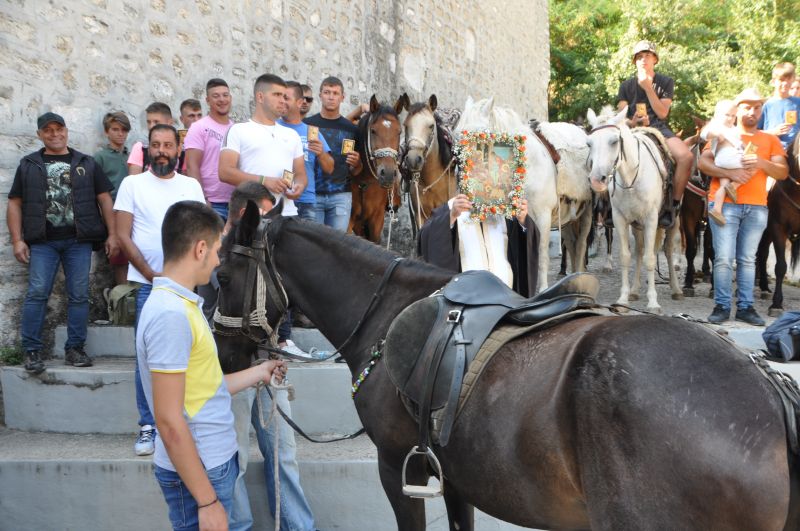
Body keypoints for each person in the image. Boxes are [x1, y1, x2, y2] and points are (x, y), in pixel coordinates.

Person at [138, 200, 287, 531]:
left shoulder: (181, 306)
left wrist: (259, 372)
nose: (219, 259)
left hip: (210, 461)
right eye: (218, 249)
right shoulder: (170, 315)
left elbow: (205, 387)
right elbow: (168, 419)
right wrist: (206, 501)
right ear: (200, 248)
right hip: (201, 470)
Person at [114, 124, 206, 456]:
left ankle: (186, 420)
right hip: (146, 286)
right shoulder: (132, 184)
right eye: (156, 145)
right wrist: (152, 274)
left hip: (187, 288)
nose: (162, 150)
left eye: (168, 145)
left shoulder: (191, 185)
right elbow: (123, 234)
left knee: (192, 355)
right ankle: (148, 424)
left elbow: (202, 234)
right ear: (148, 149)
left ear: (178, 149)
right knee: (147, 360)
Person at [8, 111, 118, 373]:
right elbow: (14, 203)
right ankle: (32, 351)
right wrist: (17, 240)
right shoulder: (29, 164)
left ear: (66, 131)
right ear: (40, 135)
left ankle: (75, 348)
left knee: (79, 296)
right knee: (36, 294)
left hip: (78, 241)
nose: (55, 134)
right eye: (48, 130)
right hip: (42, 242)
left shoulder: (86, 162)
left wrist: (113, 234)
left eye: (59, 129)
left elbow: (104, 199)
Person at [700, 88, 788, 325]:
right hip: (725, 204)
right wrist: (731, 173)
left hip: (757, 206)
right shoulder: (723, 132)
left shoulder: (769, 140)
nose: (752, 111)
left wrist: (761, 162)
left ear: (762, 110)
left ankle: (746, 307)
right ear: (737, 110)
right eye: (747, 107)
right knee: (724, 258)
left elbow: (782, 171)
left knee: (748, 259)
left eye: (757, 107)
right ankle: (722, 306)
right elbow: (703, 163)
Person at [617, 40, 694, 228]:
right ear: (635, 61)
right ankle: (606, 207)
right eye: (639, 57)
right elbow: (621, 116)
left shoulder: (665, 82)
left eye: (648, 56)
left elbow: (662, 113)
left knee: (686, 157)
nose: (643, 60)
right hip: (633, 129)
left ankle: (672, 205)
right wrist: (631, 121)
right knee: (605, 153)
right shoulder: (626, 86)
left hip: (658, 128)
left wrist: (648, 88)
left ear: (655, 60)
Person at [418, 194, 539, 296]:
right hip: (469, 298)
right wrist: (451, 217)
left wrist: (523, 221)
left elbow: (526, 243)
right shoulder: (451, 207)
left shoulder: (505, 207)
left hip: (506, 294)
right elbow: (426, 236)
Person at [303, 76, 363, 230]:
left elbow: (357, 171)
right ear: (320, 95)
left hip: (341, 197)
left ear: (342, 98)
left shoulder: (352, 130)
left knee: (337, 248)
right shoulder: (307, 125)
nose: (331, 97)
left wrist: (357, 163)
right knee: (314, 245)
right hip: (312, 195)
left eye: (335, 93)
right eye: (327, 92)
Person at [279, 80, 334, 221]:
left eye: (286, 98)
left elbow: (329, 168)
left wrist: (321, 153)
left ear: (299, 102)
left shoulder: (312, 132)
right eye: (279, 97)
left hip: (306, 201)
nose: (281, 101)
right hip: (277, 198)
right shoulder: (272, 127)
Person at [184, 78, 235, 221]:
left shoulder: (236, 129)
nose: (222, 99)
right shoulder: (199, 127)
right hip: (211, 203)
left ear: (230, 98)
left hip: (235, 203)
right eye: (216, 96)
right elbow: (191, 166)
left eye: (225, 95)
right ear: (207, 100)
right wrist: (202, 200)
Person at [94, 111, 132, 285]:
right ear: (107, 132)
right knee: (120, 261)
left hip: (135, 212)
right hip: (114, 212)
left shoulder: (132, 156)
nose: (120, 134)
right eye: (115, 129)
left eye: (124, 130)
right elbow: (99, 194)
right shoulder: (100, 158)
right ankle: (123, 303)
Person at [702, 100, 743, 226]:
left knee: (723, 186)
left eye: (733, 116)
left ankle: (717, 210)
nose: (730, 119)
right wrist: (715, 133)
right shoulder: (716, 126)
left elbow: (739, 142)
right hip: (728, 157)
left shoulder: (735, 129)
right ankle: (735, 185)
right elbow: (704, 134)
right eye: (727, 115)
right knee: (754, 165)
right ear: (717, 115)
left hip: (722, 162)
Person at [758, 62, 800, 153]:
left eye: (788, 79)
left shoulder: (798, 103)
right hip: (773, 151)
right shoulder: (766, 105)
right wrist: (773, 132)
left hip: (796, 153)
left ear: (793, 80)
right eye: (781, 80)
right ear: (773, 82)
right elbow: (753, 132)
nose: (785, 83)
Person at [127, 102, 174, 175]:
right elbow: (134, 183)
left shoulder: (181, 149)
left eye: (156, 122)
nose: (151, 126)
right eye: (149, 122)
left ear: (169, 122)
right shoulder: (141, 147)